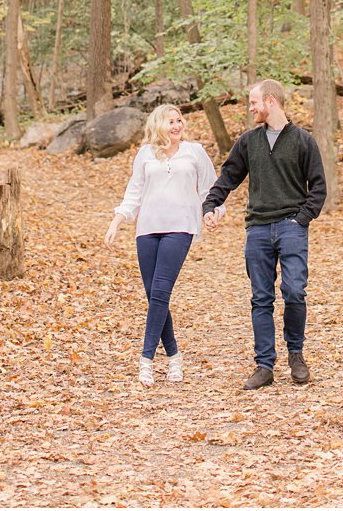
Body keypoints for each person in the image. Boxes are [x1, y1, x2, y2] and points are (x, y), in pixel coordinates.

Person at [202, 80, 327, 390]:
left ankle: (296, 355)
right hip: (257, 228)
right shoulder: (248, 142)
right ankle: (264, 366)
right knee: (261, 298)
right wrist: (211, 204)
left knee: (295, 291)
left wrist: (301, 219)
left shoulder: (302, 141)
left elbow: (319, 188)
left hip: (291, 228)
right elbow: (228, 177)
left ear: (271, 101)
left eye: (254, 102)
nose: (251, 108)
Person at [104, 104, 218, 387]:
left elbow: (210, 189)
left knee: (160, 291)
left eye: (179, 120)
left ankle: (146, 361)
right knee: (153, 294)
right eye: (170, 122)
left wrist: (212, 212)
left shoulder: (195, 152)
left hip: (180, 227)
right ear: (158, 125)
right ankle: (175, 356)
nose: (177, 126)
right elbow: (135, 191)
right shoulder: (145, 154)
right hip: (147, 229)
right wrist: (117, 221)